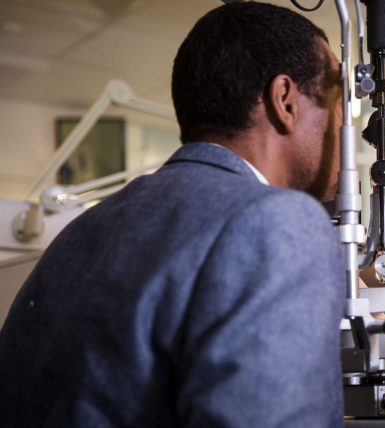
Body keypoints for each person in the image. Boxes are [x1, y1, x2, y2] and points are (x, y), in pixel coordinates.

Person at [0, 3, 345, 427]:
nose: (344, 127)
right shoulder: (277, 222)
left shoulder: (78, 234)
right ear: (285, 101)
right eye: (340, 106)